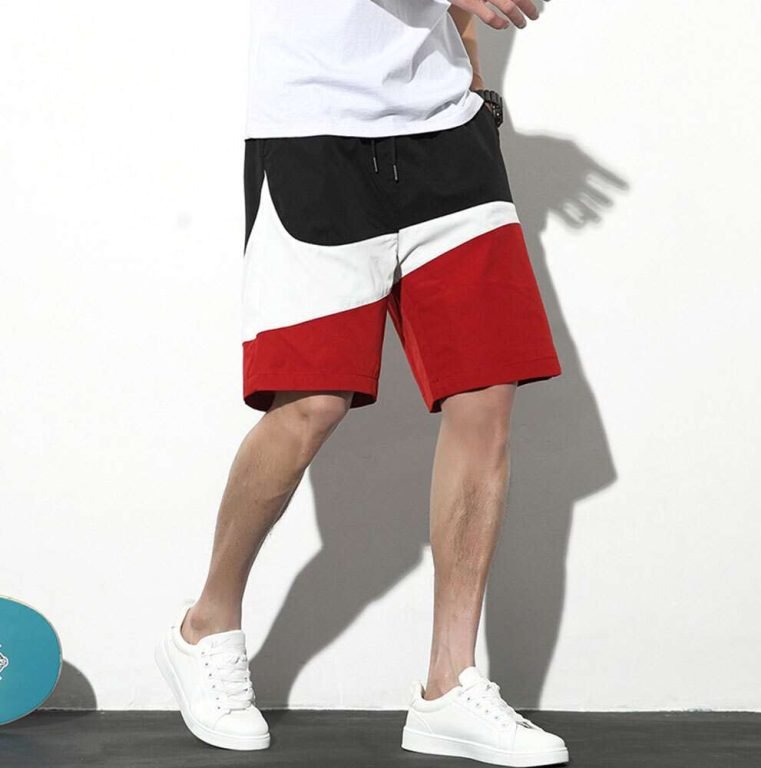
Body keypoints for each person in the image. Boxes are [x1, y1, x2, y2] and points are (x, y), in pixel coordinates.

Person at [155, 1, 568, 765]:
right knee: (310, 403)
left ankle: (448, 685)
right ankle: (206, 624)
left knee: (486, 393)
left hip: (448, 134)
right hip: (315, 132)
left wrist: (475, 87)